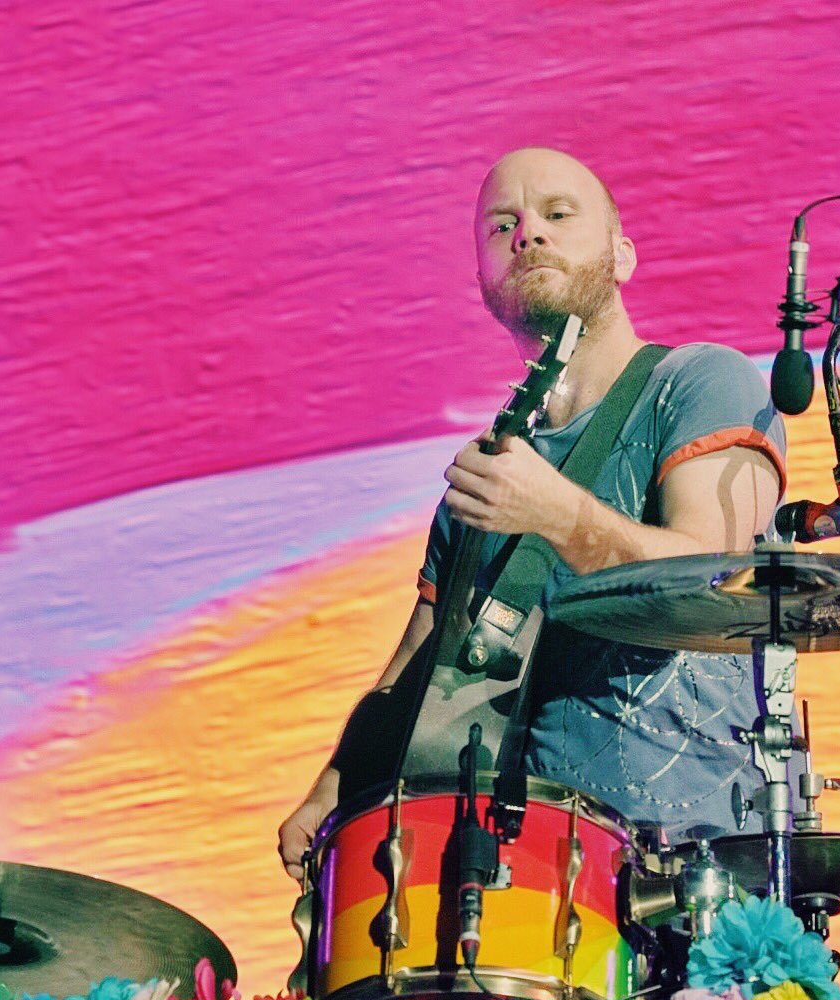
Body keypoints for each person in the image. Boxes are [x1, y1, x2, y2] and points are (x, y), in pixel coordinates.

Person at [279, 147, 787, 879]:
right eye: (502, 227)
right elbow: (422, 665)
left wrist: (554, 513)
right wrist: (331, 790)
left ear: (622, 254)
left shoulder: (701, 381)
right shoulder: (491, 470)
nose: (528, 236)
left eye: (557, 215)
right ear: (482, 279)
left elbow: (702, 580)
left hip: (685, 859)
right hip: (511, 876)